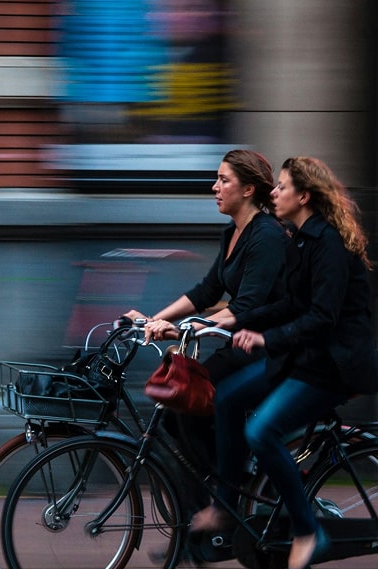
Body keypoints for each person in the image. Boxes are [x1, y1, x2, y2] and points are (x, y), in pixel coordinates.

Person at [208, 156, 378, 569]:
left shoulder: (329, 245)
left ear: (304, 196)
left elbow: (322, 317)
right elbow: (289, 303)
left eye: (282, 187)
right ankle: (225, 507)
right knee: (228, 399)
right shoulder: (301, 238)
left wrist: (265, 338)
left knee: (262, 431)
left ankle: (310, 530)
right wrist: (236, 318)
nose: (274, 193)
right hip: (305, 358)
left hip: (333, 367)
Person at [124, 148, 289, 546]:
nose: (214, 188)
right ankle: (206, 514)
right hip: (239, 347)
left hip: (271, 350)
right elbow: (207, 291)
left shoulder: (266, 237)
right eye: (216, 179)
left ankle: (227, 499)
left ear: (249, 189)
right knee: (178, 411)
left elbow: (246, 308)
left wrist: (181, 329)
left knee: (203, 402)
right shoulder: (232, 233)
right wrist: (153, 320)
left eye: (224, 180)